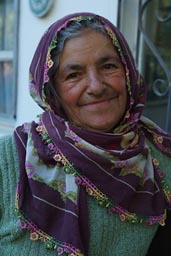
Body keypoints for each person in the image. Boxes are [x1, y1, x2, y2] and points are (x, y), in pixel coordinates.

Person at [0, 12, 171, 256]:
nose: (96, 86)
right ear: (52, 92)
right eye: (73, 75)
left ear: (129, 73)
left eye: (109, 66)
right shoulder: (8, 161)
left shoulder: (160, 160)